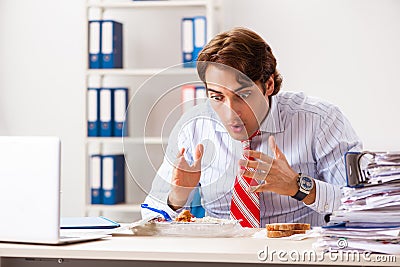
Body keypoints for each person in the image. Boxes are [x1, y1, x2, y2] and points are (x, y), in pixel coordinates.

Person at [142, 27, 362, 227]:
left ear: (268, 85)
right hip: (221, 256)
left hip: (296, 255)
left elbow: (364, 207)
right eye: (217, 97)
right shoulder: (193, 128)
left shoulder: (321, 120)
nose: (231, 112)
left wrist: (298, 186)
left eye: (243, 95)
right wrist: (177, 198)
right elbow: (149, 218)